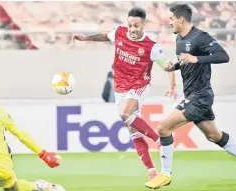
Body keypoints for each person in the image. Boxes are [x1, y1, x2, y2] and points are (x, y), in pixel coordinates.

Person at [145, 4, 236, 189]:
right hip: (192, 95)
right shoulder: (180, 39)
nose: (169, 22)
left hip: (200, 95)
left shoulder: (200, 37)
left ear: (181, 19)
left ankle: (165, 174)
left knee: (163, 128)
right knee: (213, 135)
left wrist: (198, 59)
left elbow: (223, 56)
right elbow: (187, 60)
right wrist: (174, 66)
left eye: (172, 19)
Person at [73, 7, 177, 181]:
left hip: (139, 85)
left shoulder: (151, 47)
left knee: (125, 114)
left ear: (143, 24)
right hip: (120, 87)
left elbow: (169, 66)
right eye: (130, 25)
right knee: (132, 129)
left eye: (136, 25)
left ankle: (159, 141)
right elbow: (105, 36)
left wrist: (172, 86)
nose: (132, 29)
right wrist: (85, 38)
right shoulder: (119, 33)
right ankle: (151, 171)